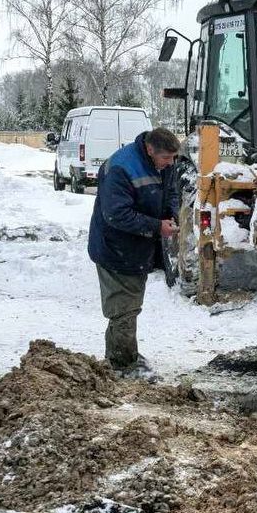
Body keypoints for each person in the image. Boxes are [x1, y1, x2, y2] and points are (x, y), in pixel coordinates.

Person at [87, 127, 181, 379]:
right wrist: (156, 226)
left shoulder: (164, 163)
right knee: (123, 307)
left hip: (137, 246)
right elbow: (115, 214)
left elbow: (171, 191)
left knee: (130, 304)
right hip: (116, 247)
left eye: (173, 158)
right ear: (150, 150)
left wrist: (170, 214)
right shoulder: (121, 167)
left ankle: (124, 355)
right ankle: (122, 365)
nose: (171, 163)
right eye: (166, 158)